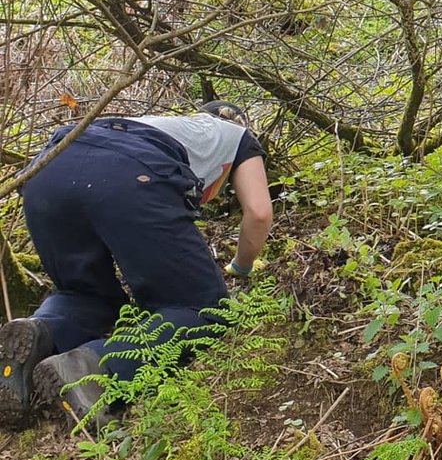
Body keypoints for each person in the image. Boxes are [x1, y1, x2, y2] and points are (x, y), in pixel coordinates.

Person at [0, 101, 272, 430]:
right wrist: (241, 267)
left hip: (49, 168)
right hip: (126, 173)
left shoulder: (160, 124)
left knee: (84, 294)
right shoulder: (238, 135)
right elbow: (258, 213)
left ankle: (39, 333)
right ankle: (94, 369)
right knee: (203, 310)